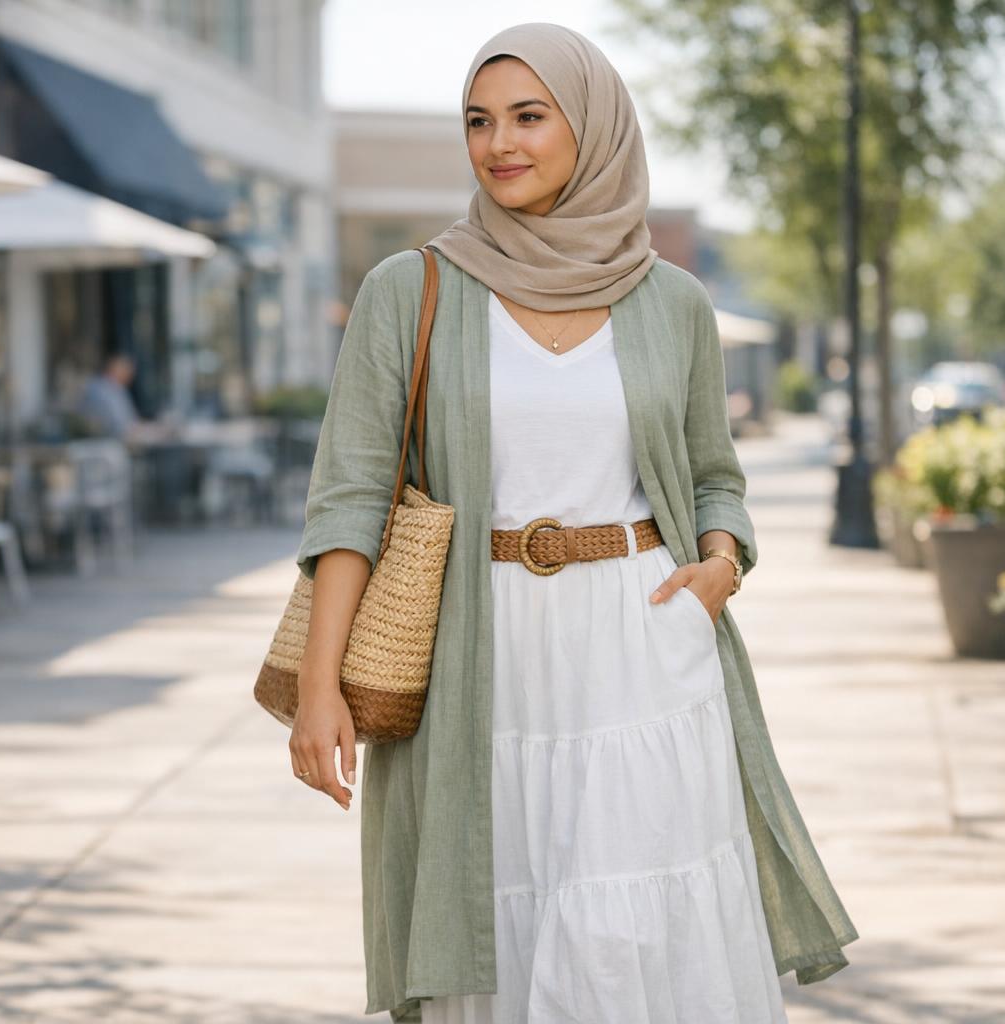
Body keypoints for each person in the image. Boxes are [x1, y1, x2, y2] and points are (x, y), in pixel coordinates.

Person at [289, 23, 858, 1023]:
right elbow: (350, 499)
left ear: (591, 126)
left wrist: (719, 565)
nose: (498, 143)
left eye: (527, 117)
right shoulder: (409, 289)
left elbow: (714, 478)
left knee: (635, 932)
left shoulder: (671, 301)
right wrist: (318, 686)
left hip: (645, 646)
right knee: (503, 924)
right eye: (478, 120)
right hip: (484, 653)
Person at [78, 352, 158, 442]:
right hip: (109, 443)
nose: (130, 377)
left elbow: (130, 423)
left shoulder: (113, 388)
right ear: (116, 369)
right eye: (128, 372)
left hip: (114, 440)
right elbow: (123, 428)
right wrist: (155, 431)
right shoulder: (104, 389)